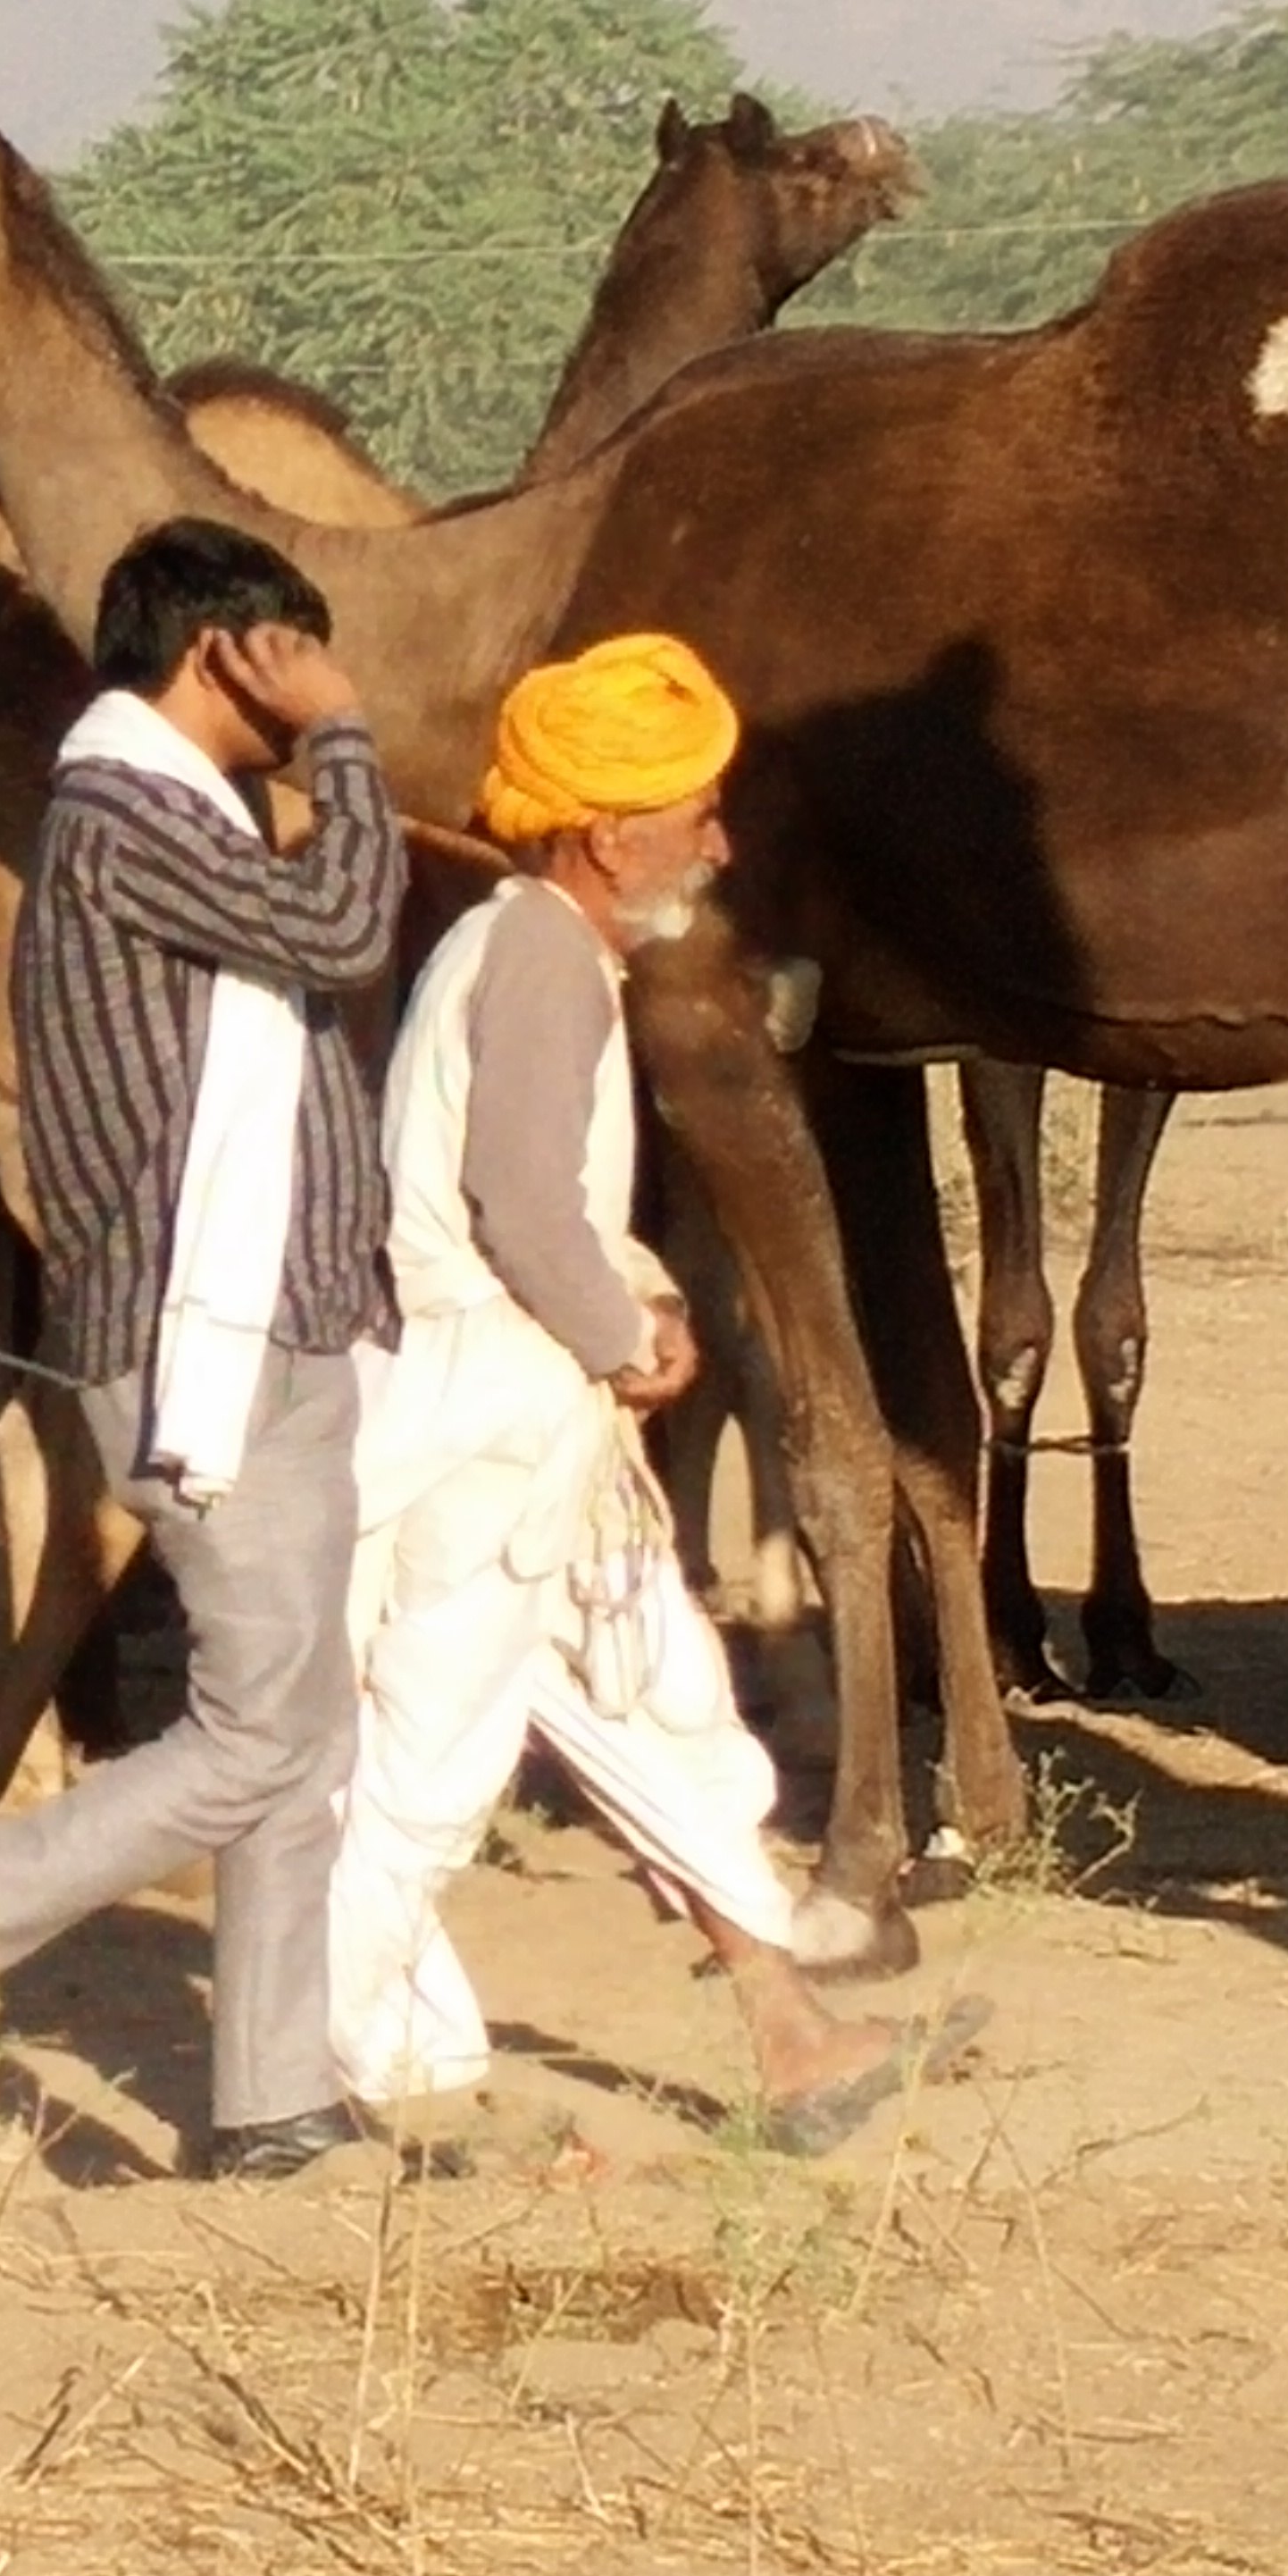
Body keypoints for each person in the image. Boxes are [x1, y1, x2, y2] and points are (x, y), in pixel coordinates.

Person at [0, 516, 406, 2181]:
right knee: (260, 1729)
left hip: (283, 1317)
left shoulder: (180, 815)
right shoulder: (124, 814)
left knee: (301, 1724)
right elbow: (347, 933)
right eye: (294, 659)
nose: (317, 694)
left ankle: (273, 2104)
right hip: (205, 1333)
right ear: (223, 655)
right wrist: (344, 741)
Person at [327, 630, 982, 2156]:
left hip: (535, 1415)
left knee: (669, 1720)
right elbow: (516, 1206)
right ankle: (345, 2077)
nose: (720, 839)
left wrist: (628, 1317)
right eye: (693, 811)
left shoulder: (535, 954)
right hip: (488, 1416)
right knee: (427, 1768)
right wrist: (627, 1336)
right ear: (610, 832)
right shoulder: (541, 963)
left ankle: (793, 2034)